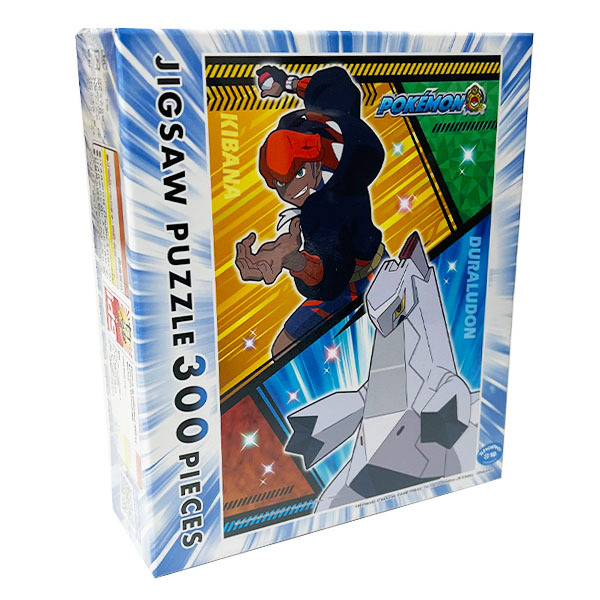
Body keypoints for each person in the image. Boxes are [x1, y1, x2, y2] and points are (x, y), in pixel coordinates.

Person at [235, 65, 386, 357]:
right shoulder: (332, 121)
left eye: (297, 176)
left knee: (286, 349)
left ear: (314, 159)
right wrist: (288, 83)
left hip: (368, 274)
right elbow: (332, 84)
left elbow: (332, 272)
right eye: (280, 185)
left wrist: (294, 260)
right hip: (350, 272)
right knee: (283, 350)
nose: (289, 193)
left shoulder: (330, 206)